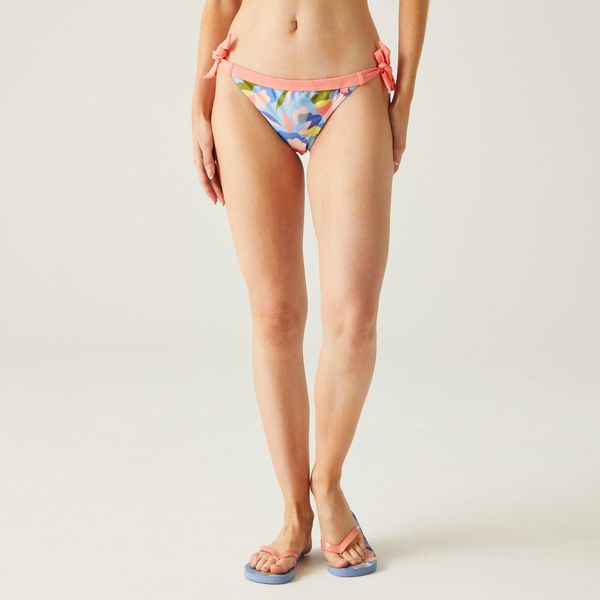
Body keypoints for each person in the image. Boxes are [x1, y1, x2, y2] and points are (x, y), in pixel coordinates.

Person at [191, 0, 428, 584]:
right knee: (274, 316)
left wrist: (404, 100)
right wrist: (199, 104)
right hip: (245, 87)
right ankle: (294, 512)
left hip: (350, 83)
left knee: (353, 317)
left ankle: (327, 482)